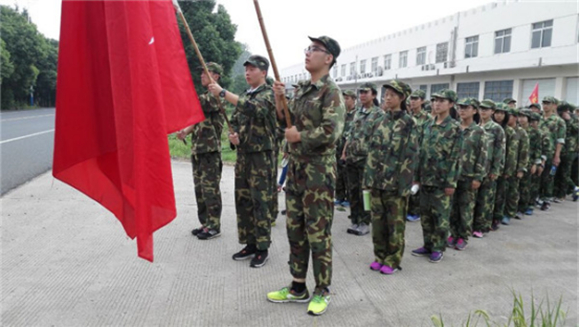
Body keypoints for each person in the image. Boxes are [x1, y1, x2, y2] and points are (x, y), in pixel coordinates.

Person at [268, 36, 345, 316]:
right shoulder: (302, 89)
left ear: (328, 58)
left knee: (318, 233)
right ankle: (297, 286)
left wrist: (300, 136)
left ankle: (322, 289)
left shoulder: (331, 92)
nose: (308, 53)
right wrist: (279, 100)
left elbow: (331, 132)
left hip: (318, 172)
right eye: (308, 48)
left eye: (314, 49)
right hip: (297, 168)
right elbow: (284, 121)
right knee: (295, 229)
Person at [208, 55, 277, 268]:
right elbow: (236, 119)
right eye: (246, 69)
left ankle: (262, 247)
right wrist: (234, 135)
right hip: (244, 156)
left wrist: (223, 92)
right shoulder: (246, 94)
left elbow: (255, 109)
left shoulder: (270, 94)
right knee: (243, 201)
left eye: (252, 69)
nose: (247, 72)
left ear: (263, 73)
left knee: (260, 202)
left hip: (261, 158)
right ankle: (250, 242)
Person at [364, 80, 418, 274]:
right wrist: (368, 179)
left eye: (392, 95)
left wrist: (405, 186)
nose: (387, 97)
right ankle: (379, 255)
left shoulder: (409, 123)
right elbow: (371, 151)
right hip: (377, 182)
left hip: (396, 184)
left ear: (402, 98)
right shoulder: (380, 120)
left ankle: (393, 259)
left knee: (395, 225)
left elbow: (411, 156)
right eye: (386, 94)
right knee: (377, 223)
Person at [411, 89, 462, 263]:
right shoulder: (428, 124)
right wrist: (417, 176)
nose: (437, 104)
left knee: (440, 216)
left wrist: (451, 182)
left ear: (451, 104)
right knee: (425, 215)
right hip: (426, 178)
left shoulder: (454, 128)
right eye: (435, 100)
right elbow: (420, 152)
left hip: (442, 181)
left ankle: (438, 247)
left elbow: (456, 157)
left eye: (442, 101)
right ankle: (427, 245)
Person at [177, 62, 224, 240]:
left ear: (216, 76)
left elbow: (195, 104)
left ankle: (214, 225)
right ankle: (205, 223)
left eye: (206, 72)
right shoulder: (206, 95)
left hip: (210, 150)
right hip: (199, 148)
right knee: (200, 189)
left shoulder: (216, 95)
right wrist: (186, 131)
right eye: (201, 72)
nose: (202, 75)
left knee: (210, 189)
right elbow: (198, 119)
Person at [342, 82, 384, 235]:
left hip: (367, 160)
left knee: (365, 193)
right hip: (352, 158)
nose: (362, 95)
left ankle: (365, 221)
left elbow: (381, 140)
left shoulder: (379, 114)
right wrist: (344, 153)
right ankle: (354, 220)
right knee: (352, 191)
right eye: (361, 92)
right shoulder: (357, 113)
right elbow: (350, 134)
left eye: (366, 92)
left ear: (373, 95)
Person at [449, 98, 487, 250]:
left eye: (466, 107)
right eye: (460, 108)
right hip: (452, 176)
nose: (462, 110)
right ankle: (453, 232)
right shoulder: (454, 128)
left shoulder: (479, 132)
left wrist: (478, 177)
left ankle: (463, 236)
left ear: (474, 111)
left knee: (465, 207)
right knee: (452, 207)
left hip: (469, 176)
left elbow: (483, 156)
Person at [472, 100, 505, 237]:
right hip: (475, 168)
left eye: (487, 109)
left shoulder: (496, 128)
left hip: (489, 168)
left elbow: (500, 150)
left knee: (486, 199)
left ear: (492, 111)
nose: (483, 111)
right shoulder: (475, 126)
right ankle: (471, 224)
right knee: (473, 199)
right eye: (481, 109)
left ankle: (482, 227)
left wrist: (496, 169)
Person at [538, 96, 566, 210]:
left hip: (550, 152)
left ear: (554, 105)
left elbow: (560, 140)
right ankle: (536, 197)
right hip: (538, 151)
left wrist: (557, 155)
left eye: (548, 103)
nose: (545, 106)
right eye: (544, 103)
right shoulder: (538, 118)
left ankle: (546, 199)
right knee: (537, 176)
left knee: (548, 176)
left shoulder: (558, 121)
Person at [490, 103, 515, 230]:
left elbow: (511, 152)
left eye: (502, 113)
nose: (499, 116)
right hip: (489, 167)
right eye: (497, 113)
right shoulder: (488, 128)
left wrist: (508, 170)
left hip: (503, 167)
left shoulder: (509, 131)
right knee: (489, 196)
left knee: (500, 195)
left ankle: (497, 218)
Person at [406, 89, 429, 222]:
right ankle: (408, 208)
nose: (413, 101)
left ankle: (415, 211)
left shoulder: (427, 118)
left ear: (422, 101)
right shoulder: (407, 117)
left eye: (416, 99)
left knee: (417, 181)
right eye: (412, 99)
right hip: (407, 154)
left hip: (419, 154)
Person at [502, 108, 528, 225]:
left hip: (515, 166)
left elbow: (524, 152)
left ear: (516, 118)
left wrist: (521, 168)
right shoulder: (502, 130)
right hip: (502, 165)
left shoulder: (521, 133)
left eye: (511, 116)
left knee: (512, 191)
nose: (508, 118)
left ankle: (509, 213)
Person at [335, 90, 357, 208]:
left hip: (349, 147)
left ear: (353, 99)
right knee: (338, 172)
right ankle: (339, 196)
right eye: (344, 98)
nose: (344, 100)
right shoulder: (342, 113)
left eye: (347, 98)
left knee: (348, 173)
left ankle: (349, 197)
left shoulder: (356, 114)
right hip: (339, 145)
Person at [517, 109, 540, 217]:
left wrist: (536, 164)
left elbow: (537, 149)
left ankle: (523, 207)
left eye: (523, 117)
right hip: (516, 161)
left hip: (529, 162)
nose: (521, 119)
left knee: (525, 187)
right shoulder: (515, 130)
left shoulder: (534, 132)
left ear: (528, 119)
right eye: (519, 116)